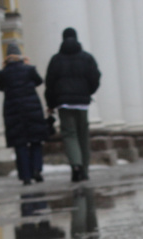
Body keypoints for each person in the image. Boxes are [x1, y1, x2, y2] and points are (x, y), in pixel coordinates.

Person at [45, 27, 101, 183]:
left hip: (64, 103)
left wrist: (51, 103)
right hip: (82, 103)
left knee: (70, 135)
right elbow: (95, 77)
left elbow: (50, 83)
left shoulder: (56, 60)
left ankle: (75, 166)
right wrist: (88, 92)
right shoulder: (87, 58)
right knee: (83, 135)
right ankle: (85, 170)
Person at [0, 43, 51, 186]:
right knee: (36, 141)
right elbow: (39, 81)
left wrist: (4, 69)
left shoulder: (4, 73)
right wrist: (28, 65)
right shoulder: (29, 70)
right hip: (32, 109)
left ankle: (25, 176)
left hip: (13, 111)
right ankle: (37, 170)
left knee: (20, 144)